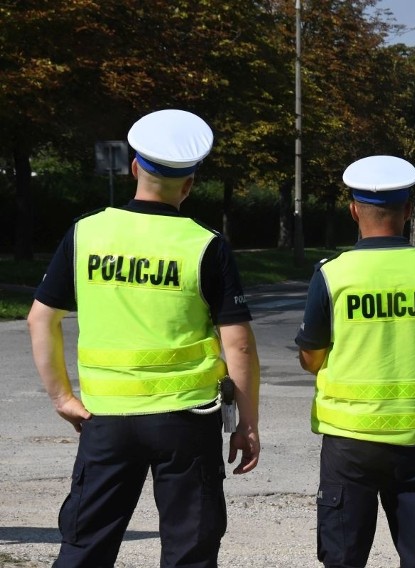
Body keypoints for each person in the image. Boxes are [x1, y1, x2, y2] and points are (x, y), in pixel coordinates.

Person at [27, 109, 261, 568]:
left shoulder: (86, 233)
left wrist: (62, 398)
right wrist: (248, 425)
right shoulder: (205, 244)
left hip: (105, 417)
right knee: (189, 548)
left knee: (85, 544)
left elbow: (40, 319)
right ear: (189, 184)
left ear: (134, 167)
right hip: (185, 421)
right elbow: (240, 345)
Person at [295, 155, 415, 568]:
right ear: (408, 211)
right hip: (414, 441)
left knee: (342, 557)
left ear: (353, 210)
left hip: (348, 442)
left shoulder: (334, 273)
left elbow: (310, 357)